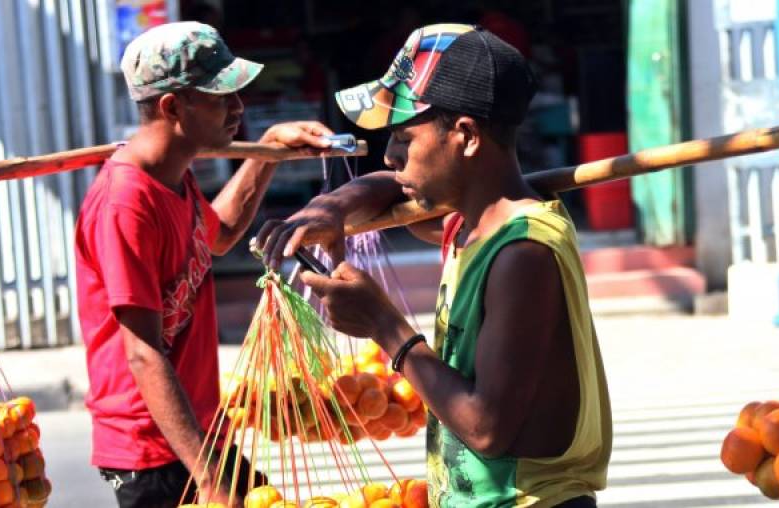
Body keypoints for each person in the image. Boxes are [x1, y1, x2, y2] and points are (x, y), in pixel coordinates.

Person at [256, 24, 611, 507]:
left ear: (465, 136)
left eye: (404, 137)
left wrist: (383, 324)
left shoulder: (522, 252)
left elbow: (485, 427)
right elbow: (389, 184)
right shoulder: (468, 226)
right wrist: (334, 206)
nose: (390, 153)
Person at [75, 22, 332, 508]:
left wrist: (271, 149)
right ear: (173, 106)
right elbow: (143, 355)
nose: (238, 108)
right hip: (152, 449)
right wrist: (210, 481)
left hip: (199, 432)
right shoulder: (125, 203)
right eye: (220, 96)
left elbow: (221, 234)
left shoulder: (175, 175)